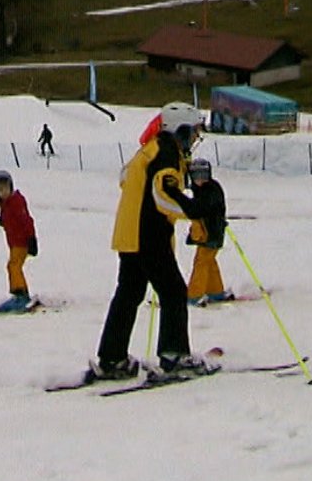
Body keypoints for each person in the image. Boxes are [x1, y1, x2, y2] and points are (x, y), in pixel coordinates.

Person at [93, 111, 212, 380]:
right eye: (193, 132)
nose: (195, 139)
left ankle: (112, 358)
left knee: (129, 294)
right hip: (150, 236)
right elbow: (163, 195)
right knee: (173, 292)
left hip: (129, 235)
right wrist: (195, 209)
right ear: (179, 130)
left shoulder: (150, 149)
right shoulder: (166, 154)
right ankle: (174, 355)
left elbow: (125, 177)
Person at [184, 159, 233, 304]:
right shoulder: (200, 189)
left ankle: (194, 295)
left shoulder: (210, 190)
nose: (199, 180)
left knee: (201, 262)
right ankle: (215, 291)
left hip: (212, 233)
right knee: (208, 261)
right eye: (196, 176)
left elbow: (199, 209)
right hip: (207, 233)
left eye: (203, 175)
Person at [0, 170, 38, 311]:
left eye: (5, 189)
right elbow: (11, 220)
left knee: (14, 266)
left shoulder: (16, 201)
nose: (3, 192)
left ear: (10, 187)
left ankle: (21, 294)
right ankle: (19, 292)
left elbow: (26, 220)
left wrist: (31, 239)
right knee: (13, 265)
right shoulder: (6, 204)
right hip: (14, 242)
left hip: (22, 242)